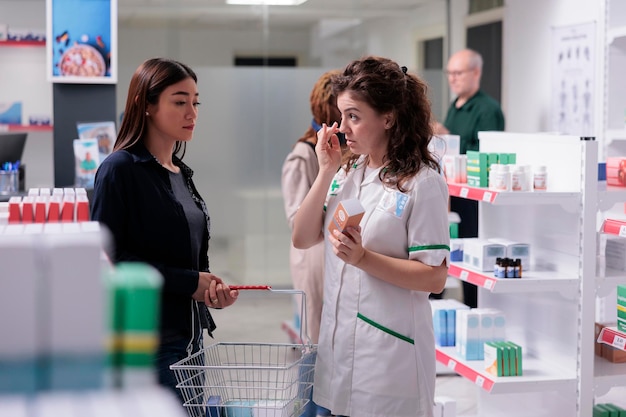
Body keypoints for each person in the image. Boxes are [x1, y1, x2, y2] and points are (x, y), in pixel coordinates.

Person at [292, 56, 450, 417]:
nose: (342, 127)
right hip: (339, 349)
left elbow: (434, 277)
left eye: (354, 116)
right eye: (341, 115)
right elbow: (302, 238)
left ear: (388, 118)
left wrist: (364, 259)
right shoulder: (348, 171)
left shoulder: (423, 183)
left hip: (388, 359)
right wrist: (325, 170)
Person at [90, 57, 239, 402]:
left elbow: (183, 256)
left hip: (191, 338)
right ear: (147, 106)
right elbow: (110, 259)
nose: (192, 112)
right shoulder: (119, 169)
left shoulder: (180, 172)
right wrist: (189, 283)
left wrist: (208, 288)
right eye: (179, 101)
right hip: (149, 341)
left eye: (195, 102)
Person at [433, 48, 505, 308]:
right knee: (449, 255)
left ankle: (476, 311)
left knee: (471, 260)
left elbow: (486, 156)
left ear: (476, 73)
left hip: (472, 200)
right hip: (452, 196)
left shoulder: (487, 109)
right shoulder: (455, 105)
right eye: (449, 73)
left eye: (458, 73)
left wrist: (446, 133)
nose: (452, 78)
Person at [281, 69, 342, 346]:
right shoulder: (303, 156)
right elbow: (298, 223)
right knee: (314, 335)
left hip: (335, 253)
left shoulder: (347, 154)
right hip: (312, 256)